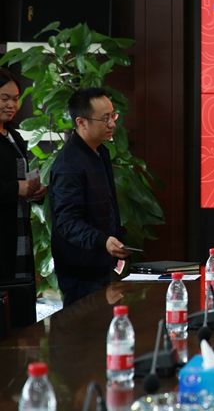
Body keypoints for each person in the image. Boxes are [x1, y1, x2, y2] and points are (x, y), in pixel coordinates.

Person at [49, 87, 131, 306]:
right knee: (84, 326)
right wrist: (103, 240)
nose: (112, 124)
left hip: (100, 264)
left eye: (113, 116)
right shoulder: (69, 164)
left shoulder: (99, 151)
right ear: (81, 122)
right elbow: (67, 222)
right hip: (80, 272)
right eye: (105, 119)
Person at [0, 68, 47, 325]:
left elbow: (21, 179)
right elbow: (12, 185)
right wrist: (14, 188)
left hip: (18, 233)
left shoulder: (14, 136)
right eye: (4, 98)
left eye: (16, 99)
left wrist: (34, 191)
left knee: (20, 312)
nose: (11, 105)